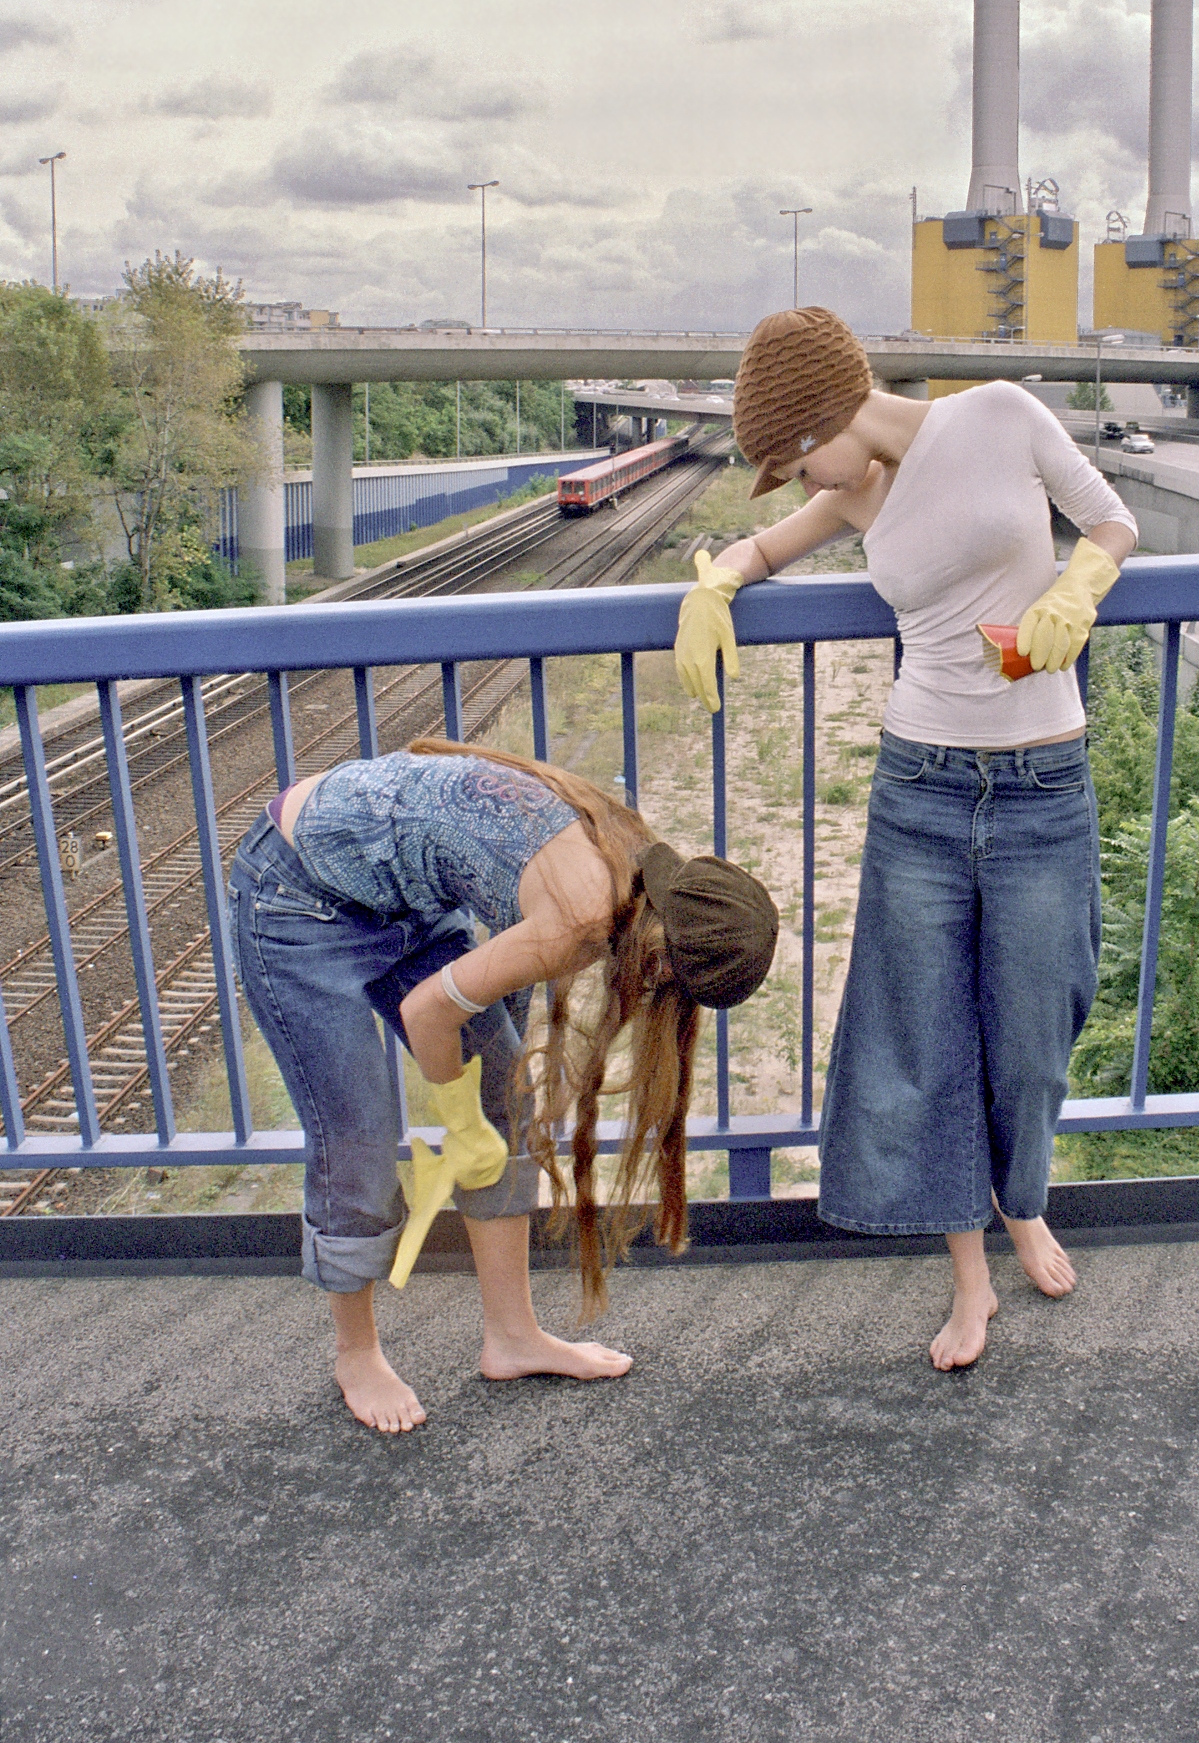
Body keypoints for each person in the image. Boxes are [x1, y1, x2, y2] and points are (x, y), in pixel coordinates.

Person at [674, 307, 1137, 1371]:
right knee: (926, 1037)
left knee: (1035, 1026)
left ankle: (1024, 1202)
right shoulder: (853, 492)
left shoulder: (1003, 415)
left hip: (1042, 783)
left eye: (793, 456)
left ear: (831, 413)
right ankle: (970, 1273)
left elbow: (1110, 522)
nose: (798, 482)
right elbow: (756, 546)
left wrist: (1079, 584)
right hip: (920, 785)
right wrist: (715, 584)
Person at [227, 738, 778, 1432]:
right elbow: (429, 1010)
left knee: (508, 1102)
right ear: (665, 959)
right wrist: (458, 1121)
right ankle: (356, 1353)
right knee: (357, 1138)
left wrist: (483, 1110)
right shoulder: (584, 918)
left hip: (400, 898)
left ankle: (512, 1337)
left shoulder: (639, 869)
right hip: (297, 895)